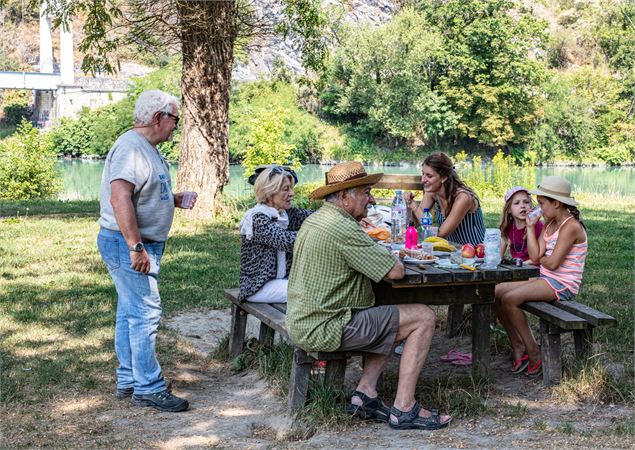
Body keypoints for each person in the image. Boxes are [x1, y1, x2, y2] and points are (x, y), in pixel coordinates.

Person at [286, 161, 452, 430]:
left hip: (305, 318)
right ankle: (405, 408)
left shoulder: (317, 219)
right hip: (327, 325)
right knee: (422, 317)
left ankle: (366, 394)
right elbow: (396, 271)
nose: (371, 198)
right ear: (344, 196)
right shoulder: (343, 228)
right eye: (365, 192)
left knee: (386, 308)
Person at [97, 89, 193, 412]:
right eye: (174, 120)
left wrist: (175, 199)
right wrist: (136, 247)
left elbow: (142, 192)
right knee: (145, 311)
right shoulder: (130, 147)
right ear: (157, 118)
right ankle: (149, 386)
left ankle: (128, 379)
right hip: (129, 245)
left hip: (138, 243)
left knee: (129, 310)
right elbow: (120, 198)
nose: (175, 127)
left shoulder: (146, 148)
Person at [493, 176, 587, 376]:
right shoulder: (549, 223)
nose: (538, 208)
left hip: (562, 284)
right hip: (545, 278)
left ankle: (534, 351)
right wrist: (529, 227)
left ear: (557, 203)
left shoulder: (570, 226)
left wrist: (544, 258)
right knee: (494, 292)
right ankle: (518, 344)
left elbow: (552, 263)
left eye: (542, 203)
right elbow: (536, 256)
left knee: (509, 299)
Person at [238, 165, 312, 303]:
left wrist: (347, 217)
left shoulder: (285, 213)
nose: (292, 193)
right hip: (258, 286)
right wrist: (324, 232)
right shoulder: (257, 218)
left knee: (320, 286)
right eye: (286, 189)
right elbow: (287, 241)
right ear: (269, 192)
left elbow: (313, 217)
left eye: (291, 188)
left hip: (280, 281)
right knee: (309, 292)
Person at [406, 152, 485, 246]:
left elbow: (439, 234)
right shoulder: (432, 192)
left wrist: (415, 207)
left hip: (475, 255)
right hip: (450, 253)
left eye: (429, 176)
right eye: (423, 174)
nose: (423, 180)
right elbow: (415, 223)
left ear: (444, 178)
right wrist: (408, 204)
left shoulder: (463, 197)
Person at [499, 186, 544, 261]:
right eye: (517, 203)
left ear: (531, 205)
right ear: (509, 209)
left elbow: (540, 257)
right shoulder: (508, 227)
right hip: (516, 269)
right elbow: (499, 255)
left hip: (533, 268)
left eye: (526, 202)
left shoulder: (538, 226)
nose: (522, 206)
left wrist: (522, 264)